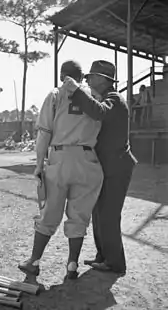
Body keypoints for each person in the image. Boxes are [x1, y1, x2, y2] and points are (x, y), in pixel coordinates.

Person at [18, 60, 104, 279]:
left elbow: (44, 133)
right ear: (83, 76)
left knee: (49, 214)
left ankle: (34, 262)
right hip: (88, 159)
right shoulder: (95, 97)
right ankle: (72, 265)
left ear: (62, 76)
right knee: (79, 216)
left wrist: (38, 165)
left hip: (60, 157)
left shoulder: (56, 95)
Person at [63, 60, 138, 275]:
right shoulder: (106, 98)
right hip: (107, 166)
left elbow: (98, 113)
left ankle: (115, 263)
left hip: (117, 166)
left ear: (104, 79)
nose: (87, 80)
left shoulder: (114, 99)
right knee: (98, 212)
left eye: (91, 77)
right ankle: (103, 256)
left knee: (108, 215)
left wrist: (77, 92)